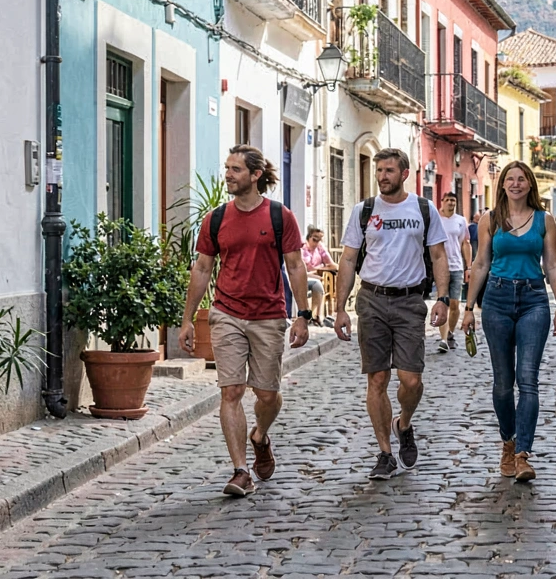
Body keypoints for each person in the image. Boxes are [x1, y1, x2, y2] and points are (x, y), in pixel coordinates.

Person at [178, 145, 313, 497]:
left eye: (235, 169)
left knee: (268, 394)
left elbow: (295, 266)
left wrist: (302, 315)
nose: (228, 175)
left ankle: (260, 436)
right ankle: (240, 471)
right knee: (231, 390)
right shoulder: (216, 219)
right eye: (227, 168)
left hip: (269, 316)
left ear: (255, 175)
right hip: (226, 314)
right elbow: (203, 269)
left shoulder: (280, 217)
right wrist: (188, 319)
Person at [333, 148, 451, 480]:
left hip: (410, 302)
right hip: (371, 300)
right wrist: (340, 308)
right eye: (379, 171)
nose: (382, 176)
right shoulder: (364, 211)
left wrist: (443, 298)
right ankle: (384, 452)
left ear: (404, 174)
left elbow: (439, 256)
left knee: (411, 380)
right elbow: (347, 260)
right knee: (378, 378)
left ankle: (405, 423)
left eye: (389, 171)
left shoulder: (424, 209)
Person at [462, 162, 556, 481]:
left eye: (522, 179)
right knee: (503, 382)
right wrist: (468, 307)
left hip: (535, 299)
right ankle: (507, 442)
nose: (517, 184)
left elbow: (551, 263)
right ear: (503, 185)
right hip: (497, 299)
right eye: (511, 179)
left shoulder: (544, 220)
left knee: (528, 379)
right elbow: (481, 263)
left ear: (531, 185)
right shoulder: (489, 219)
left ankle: (523, 454)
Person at [436, 193, 472, 353]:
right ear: (442, 202)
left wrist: (468, 266)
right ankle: (443, 339)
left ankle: (450, 333)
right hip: (440, 267)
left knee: (455, 304)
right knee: (442, 302)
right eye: (448, 200)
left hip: (456, 265)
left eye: (453, 200)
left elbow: (466, 243)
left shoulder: (460, 221)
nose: (451, 203)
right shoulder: (436, 219)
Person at [302, 226, 338, 324]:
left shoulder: (320, 248)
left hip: (318, 276)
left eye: (319, 240)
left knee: (321, 281)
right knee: (317, 283)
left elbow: (333, 265)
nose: (316, 243)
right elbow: (300, 269)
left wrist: (320, 269)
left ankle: (318, 316)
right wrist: (315, 274)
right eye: (314, 239)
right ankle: (314, 315)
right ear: (308, 237)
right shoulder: (302, 249)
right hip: (304, 277)